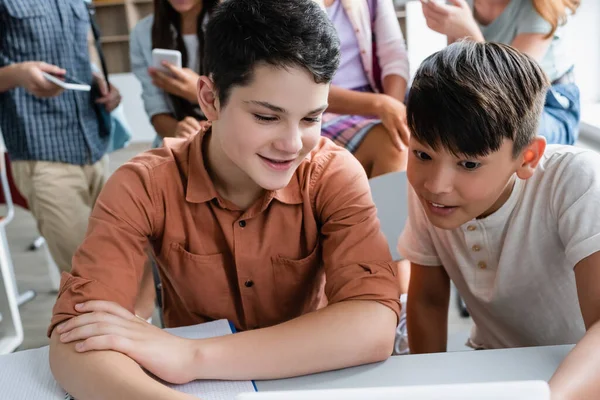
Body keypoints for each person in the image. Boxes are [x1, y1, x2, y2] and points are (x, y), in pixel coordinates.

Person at [48, 1, 403, 398]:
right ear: (210, 99)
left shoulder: (334, 174)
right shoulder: (142, 185)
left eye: (310, 119)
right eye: (267, 117)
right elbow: (75, 340)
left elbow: (374, 324)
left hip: (309, 377)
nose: (291, 144)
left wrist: (192, 357)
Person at [400, 40, 600, 398]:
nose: (436, 185)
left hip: (577, 376)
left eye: (469, 164)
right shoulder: (431, 195)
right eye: (422, 154)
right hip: (495, 366)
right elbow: (427, 300)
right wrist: (426, 388)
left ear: (527, 158)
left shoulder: (576, 180)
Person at [0, 0, 121, 274]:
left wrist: (101, 81)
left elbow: (83, 49)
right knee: (87, 277)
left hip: (94, 146)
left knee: (123, 264)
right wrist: (18, 74)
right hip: (43, 154)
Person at [421, 0, 581, 145]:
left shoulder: (540, 7)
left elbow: (511, 86)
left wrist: (467, 32)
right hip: (486, 97)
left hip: (548, 105)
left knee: (491, 132)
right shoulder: (462, 3)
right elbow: (458, 72)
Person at [318, 0, 410, 178]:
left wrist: (393, 109)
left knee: (440, 124)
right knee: (396, 146)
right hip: (321, 108)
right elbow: (301, 85)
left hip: (377, 97)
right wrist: (380, 105)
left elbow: (395, 55)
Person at [130, 0, 216, 148]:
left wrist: (199, 94)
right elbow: (156, 107)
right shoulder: (143, 32)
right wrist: (177, 130)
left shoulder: (239, 23)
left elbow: (253, 99)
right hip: (179, 148)